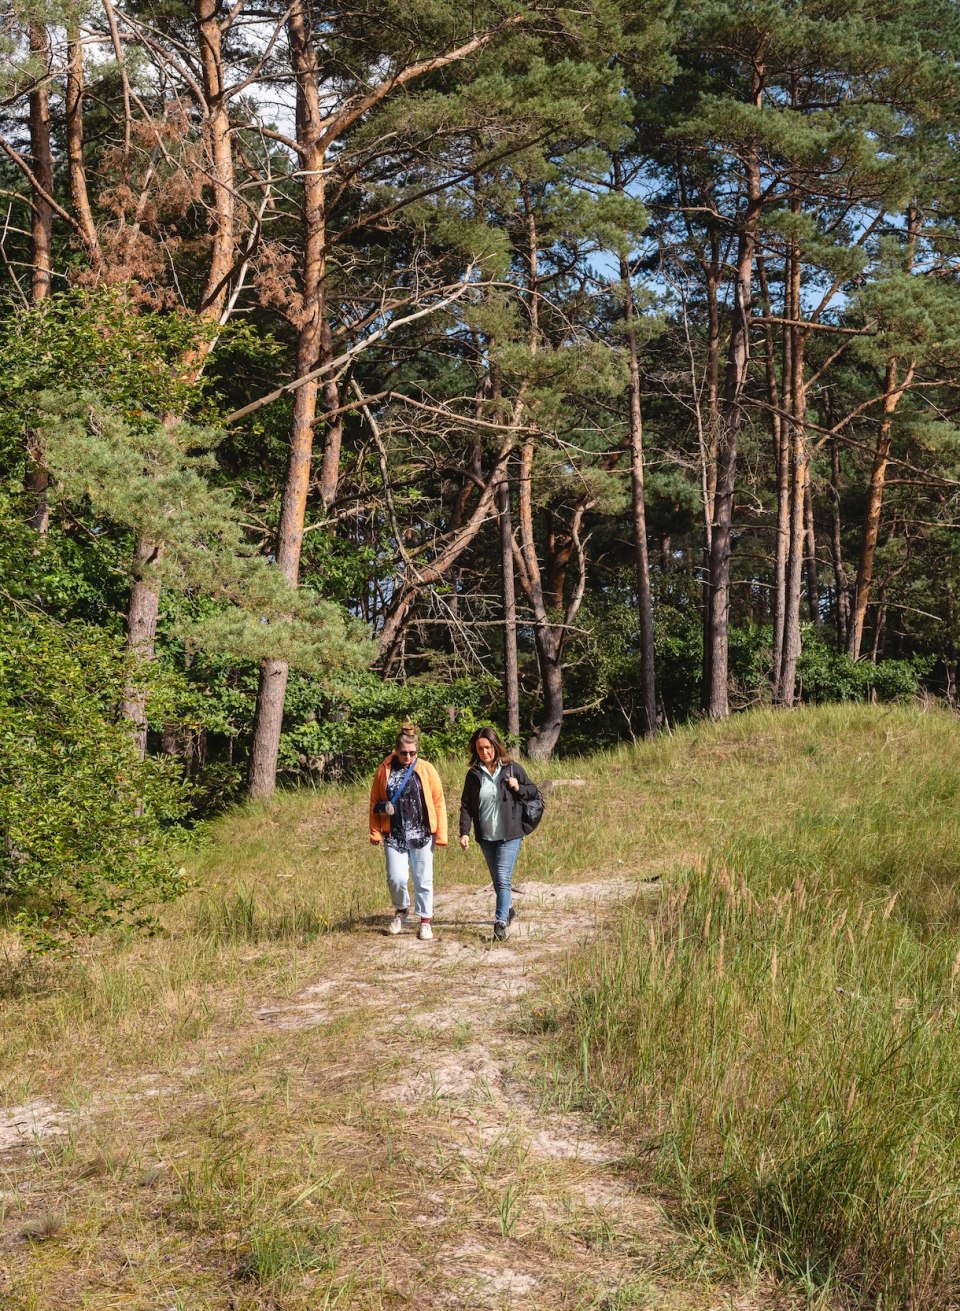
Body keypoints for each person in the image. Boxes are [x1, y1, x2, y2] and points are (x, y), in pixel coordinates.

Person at [458, 726, 539, 941]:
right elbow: (466, 805)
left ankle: (500, 923)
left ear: (495, 746)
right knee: (497, 880)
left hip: (510, 834)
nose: (484, 752)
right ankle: (509, 909)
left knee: (503, 878)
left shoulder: (512, 768)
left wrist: (517, 787)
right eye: (479, 749)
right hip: (486, 836)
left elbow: (533, 790)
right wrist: (464, 832)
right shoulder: (474, 774)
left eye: (487, 747)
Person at [369, 723, 447, 940]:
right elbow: (374, 800)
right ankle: (401, 909)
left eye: (413, 753)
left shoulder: (427, 769)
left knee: (423, 879)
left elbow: (438, 801)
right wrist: (375, 831)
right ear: (396, 750)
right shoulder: (384, 769)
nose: (408, 756)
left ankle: (425, 921)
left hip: (422, 835)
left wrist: (441, 834)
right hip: (394, 835)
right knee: (396, 878)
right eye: (403, 753)